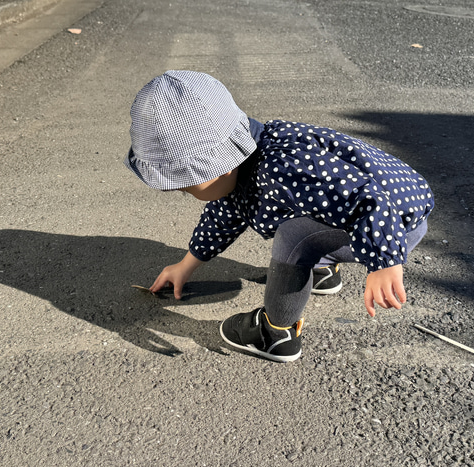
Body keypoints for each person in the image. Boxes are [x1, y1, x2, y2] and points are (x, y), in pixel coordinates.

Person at [124, 71, 434, 362]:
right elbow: (225, 215)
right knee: (309, 217)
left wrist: (384, 263)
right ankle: (321, 271)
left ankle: (275, 332)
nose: (182, 192)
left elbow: (368, 199)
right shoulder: (254, 152)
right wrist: (185, 265)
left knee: (293, 236)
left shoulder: (281, 169)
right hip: (379, 213)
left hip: (392, 224)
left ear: (224, 164)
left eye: (187, 184)